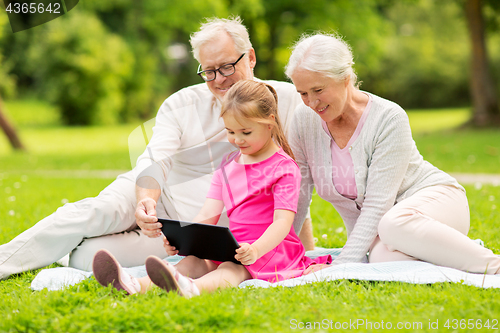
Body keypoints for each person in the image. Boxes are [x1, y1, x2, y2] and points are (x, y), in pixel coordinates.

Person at [0, 17, 311, 281]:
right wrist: (145, 202)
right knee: (91, 213)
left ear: (251, 57)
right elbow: (155, 160)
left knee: (88, 257)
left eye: (227, 67)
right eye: (209, 71)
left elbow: (297, 180)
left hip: (190, 229)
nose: (219, 80)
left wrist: (302, 249)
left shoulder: (286, 100)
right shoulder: (181, 103)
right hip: (151, 194)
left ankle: (65, 251)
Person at [91, 80, 332, 296]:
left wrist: (256, 250)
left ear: (270, 123)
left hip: (269, 250)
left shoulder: (284, 168)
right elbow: (208, 214)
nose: (237, 140)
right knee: (192, 262)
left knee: (230, 269)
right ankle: (134, 284)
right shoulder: (228, 165)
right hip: (233, 246)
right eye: (230, 132)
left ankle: (192, 289)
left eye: (246, 132)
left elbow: (282, 222)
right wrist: (185, 240)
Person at [285, 33, 500, 274]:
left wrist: (340, 266)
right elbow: (299, 193)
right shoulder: (303, 121)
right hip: (386, 231)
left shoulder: (389, 118)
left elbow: (378, 205)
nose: (311, 102)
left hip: (436, 203)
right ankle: (452, 253)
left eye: (318, 90)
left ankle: (493, 265)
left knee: (392, 224)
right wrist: (277, 251)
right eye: (303, 93)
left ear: (345, 78)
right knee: (381, 260)